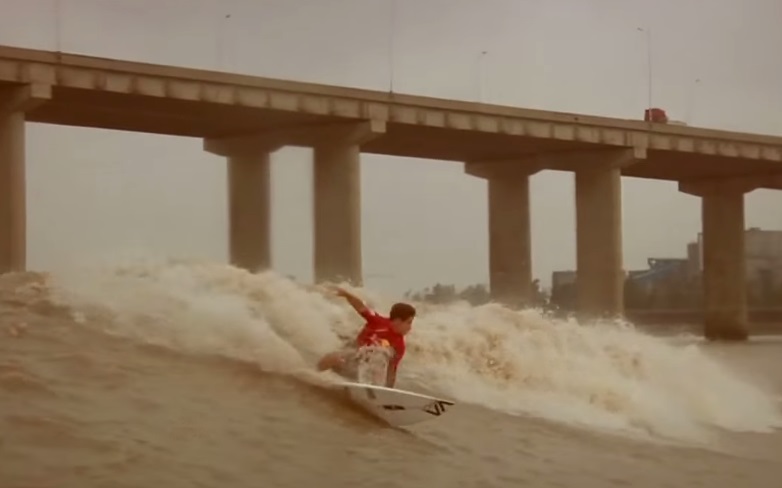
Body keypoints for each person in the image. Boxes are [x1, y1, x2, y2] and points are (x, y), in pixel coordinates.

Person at [317, 286, 416, 388]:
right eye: (408, 322)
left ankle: (373, 391)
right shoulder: (377, 321)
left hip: (365, 371)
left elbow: (391, 370)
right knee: (334, 357)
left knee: (379, 358)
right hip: (351, 358)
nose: (410, 327)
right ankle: (314, 376)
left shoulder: (399, 345)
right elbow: (360, 306)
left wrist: (389, 391)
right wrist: (346, 294)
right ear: (398, 321)